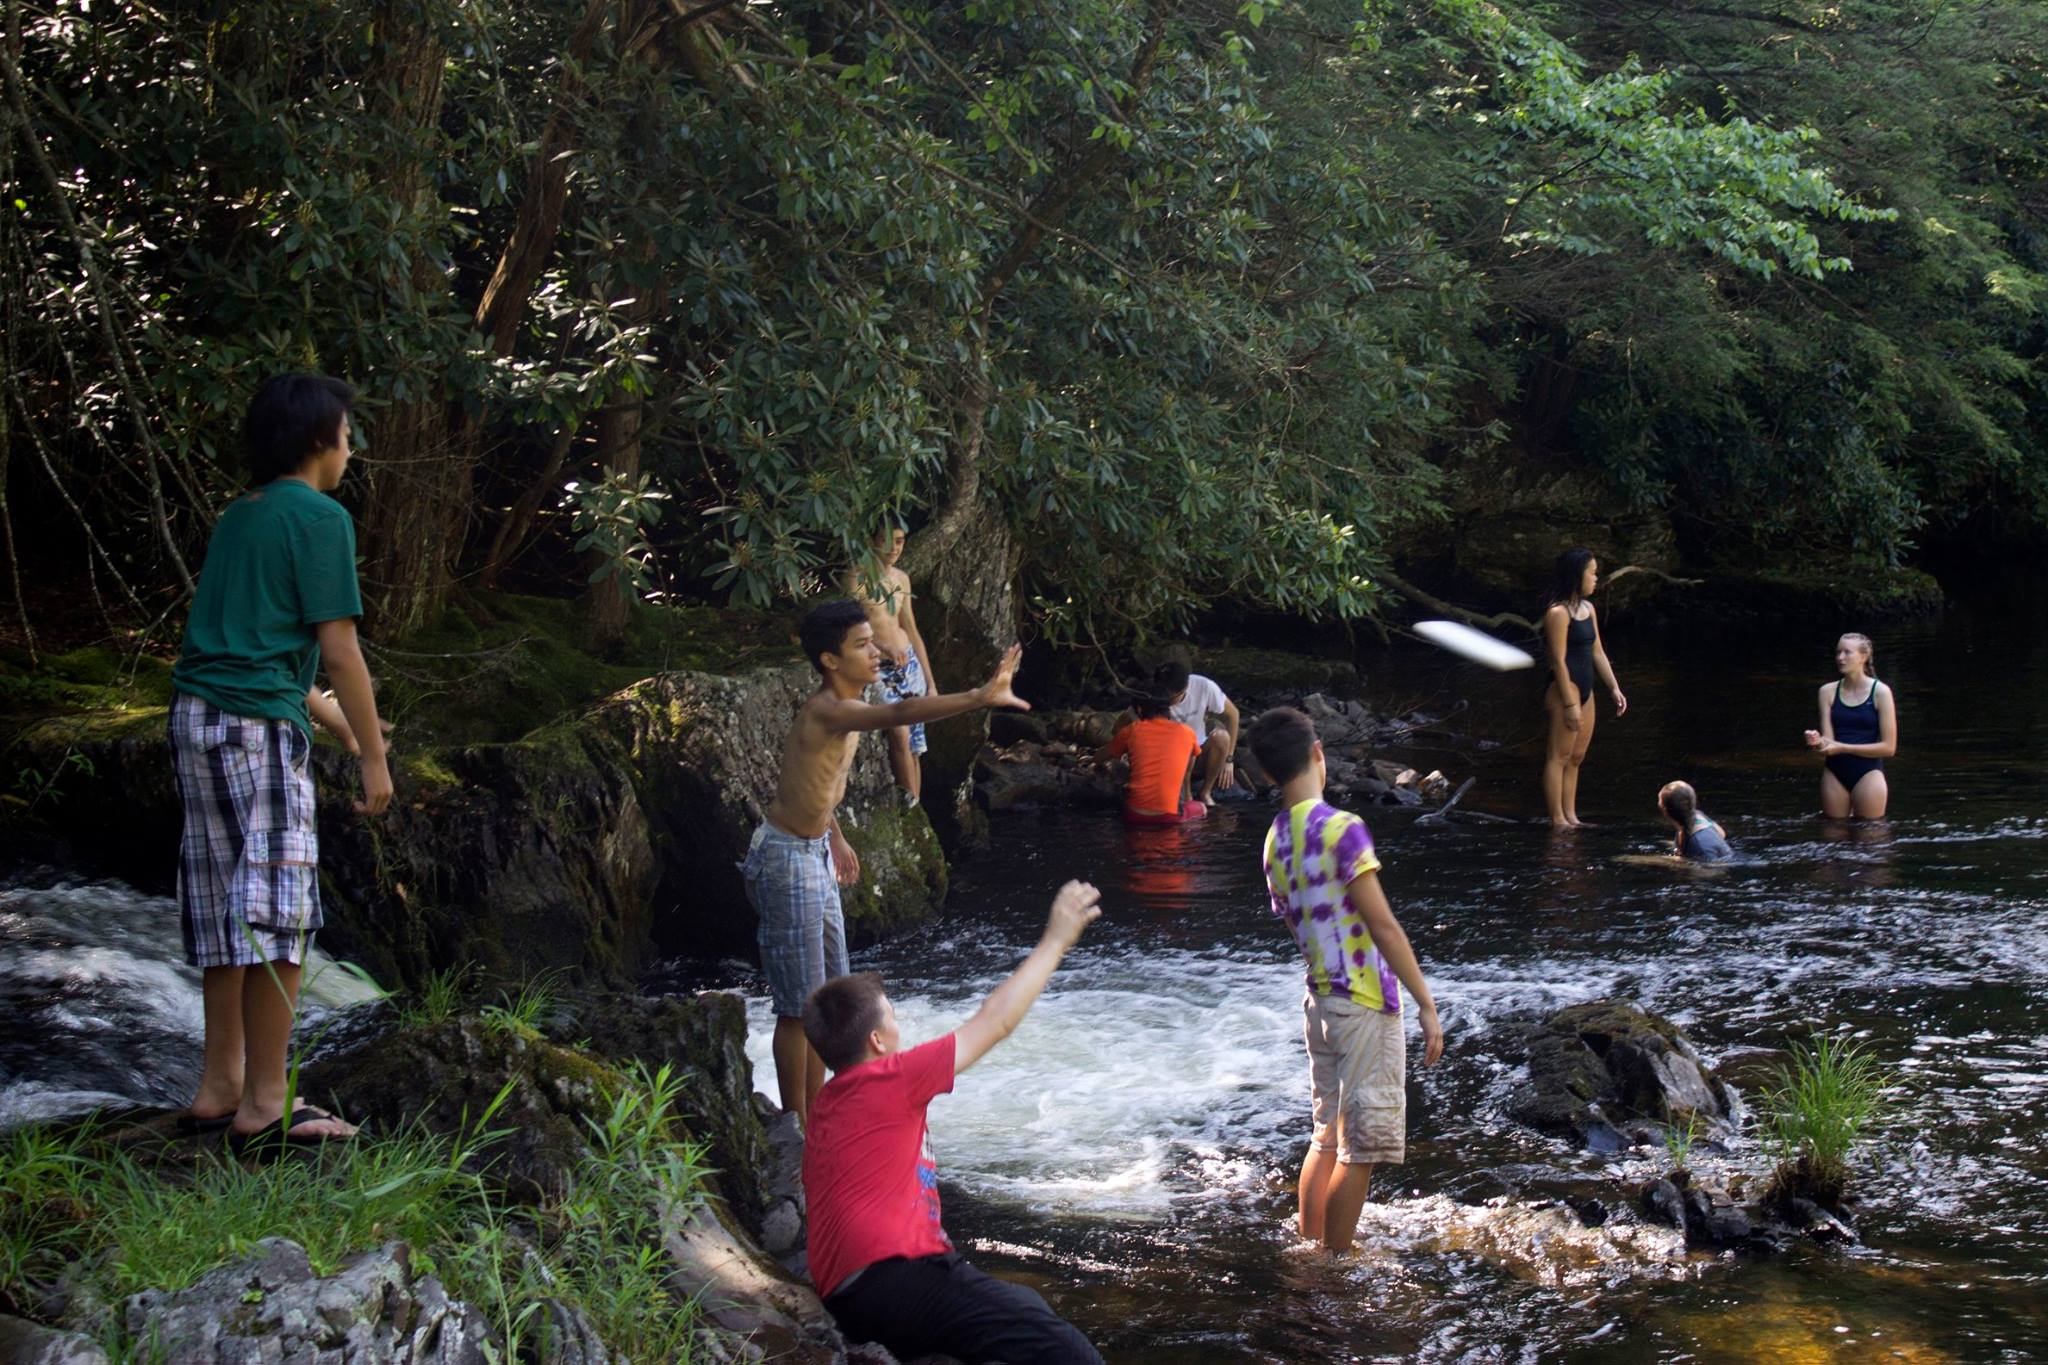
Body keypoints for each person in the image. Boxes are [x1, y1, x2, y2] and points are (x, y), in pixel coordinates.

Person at [168, 374, 392, 1152]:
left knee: (223, 904)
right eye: (346, 432)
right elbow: (339, 646)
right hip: (256, 731)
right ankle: (268, 1101)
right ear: (317, 440)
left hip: (198, 720)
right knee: (275, 910)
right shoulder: (320, 518)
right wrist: (371, 759)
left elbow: (262, 651)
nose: (351, 446)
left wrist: (337, 722)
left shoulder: (244, 516)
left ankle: (218, 1085)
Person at [801, 881, 1106, 1365]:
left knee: (1027, 1308)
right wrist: (1056, 941)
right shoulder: (889, 1077)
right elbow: (996, 1020)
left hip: (849, 1295)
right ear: (878, 1041)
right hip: (897, 1277)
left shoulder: (828, 1103)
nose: (902, 1028)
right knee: (1072, 1353)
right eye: (894, 1018)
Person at [747, 599, 1027, 1126]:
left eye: (873, 640)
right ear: (830, 660)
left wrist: (835, 835)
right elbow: (899, 714)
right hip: (786, 858)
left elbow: (811, 782)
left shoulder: (849, 700)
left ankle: (822, 1111)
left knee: (830, 996)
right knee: (798, 1006)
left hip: (813, 851)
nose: (876, 651)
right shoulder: (831, 708)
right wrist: (978, 697)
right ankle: (797, 1125)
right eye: (861, 644)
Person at [1247, 706, 1445, 1253]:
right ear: (1318, 754)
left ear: (1266, 774)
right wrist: (1425, 1002)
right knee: (1361, 1150)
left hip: (1319, 1002)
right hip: (1363, 1002)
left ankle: (1309, 1251)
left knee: (1325, 1137)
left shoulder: (1274, 841)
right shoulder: (1342, 828)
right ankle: (1335, 1267)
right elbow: (1381, 923)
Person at [840, 525, 937, 808]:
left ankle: (915, 804)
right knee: (899, 731)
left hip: (909, 663)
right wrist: (882, 647)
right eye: (886, 541)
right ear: (871, 542)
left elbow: (912, 629)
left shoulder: (901, 579)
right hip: (879, 666)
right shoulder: (855, 578)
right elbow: (849, 629)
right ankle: (910, 805)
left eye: (899, 541)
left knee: (916, 743)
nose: (894, 548)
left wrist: (931, 683)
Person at [1539, 548, 1627, 828]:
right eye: (1592, 572)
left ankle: (1571, 816)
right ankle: (1557, 819)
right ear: (1577, 576)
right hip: (1565, 689)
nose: (1596, 577)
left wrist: (1614, 687)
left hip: (1587, 688)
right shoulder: (1558, 613)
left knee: (1576, 757)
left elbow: (1597, 652)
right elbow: (1558, 660)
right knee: (1559, 756)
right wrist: (1569, 703)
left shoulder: (1588, 609)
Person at [1804, 632, 1895, 819]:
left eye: (1847, 652)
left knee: (1870, 837)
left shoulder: (1881, 692)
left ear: (1863, 657)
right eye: (1838, 652)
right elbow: (1828, 746)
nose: (1840, 658)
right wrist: (1817, 742)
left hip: (1868, 773)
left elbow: (1889, 748)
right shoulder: (1827, 691)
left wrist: (1843, 747)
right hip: (1834, 772)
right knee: (1833, 837)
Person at [1093, 692, 1204, 824]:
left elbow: (1100, 757)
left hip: (1134, 814)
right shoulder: (1187, 732)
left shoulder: (1132, 730)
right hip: (1169, 817)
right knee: (1202, 808)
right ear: (1168, 710)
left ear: (1139, 710)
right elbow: (1192, 757)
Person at [1153, 661, 1242, 803]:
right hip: (1167, 756)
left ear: (1185, 688)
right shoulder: (1151, 693)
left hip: (1198, 749)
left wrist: (1229, 760)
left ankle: (1206, 792)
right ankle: (1186, 795)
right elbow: (1128, 719)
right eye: (1165, 695)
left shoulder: (1204, 686)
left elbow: (1233, 715)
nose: (1168, 700)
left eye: (1172, 697)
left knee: (1221, 737)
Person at [1657, 781, 1732, 861]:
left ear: (1665, 810)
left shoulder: (1698, 844)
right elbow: (1722, 834)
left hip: (1712, 867)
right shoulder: (1699, 816)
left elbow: (1712, 869)